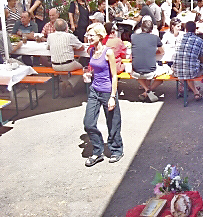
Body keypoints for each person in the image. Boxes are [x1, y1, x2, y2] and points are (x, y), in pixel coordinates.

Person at [83, 23, 123, 167]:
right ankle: (98, 150)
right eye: (88, 35)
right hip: (94, 89)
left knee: (112, 122)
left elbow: (114, 75)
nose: (88, 37)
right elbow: (96, 69)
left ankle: (116, 150)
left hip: (107, 90)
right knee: (88, 122)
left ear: (100, 36)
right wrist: (89, 74)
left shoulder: (109, 52)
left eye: (91, 35)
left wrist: (113, 96)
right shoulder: (91, 50)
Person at [173, 21, 203, 101]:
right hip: (191, 71)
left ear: (185, 30)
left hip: (176, 71)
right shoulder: (200, 41)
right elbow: (202, 59)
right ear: (195, 30)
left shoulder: (178, 39)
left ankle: (196, 93)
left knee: (187, 69)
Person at [47, 19, 84, 97]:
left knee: (62, 68)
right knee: (82, 69)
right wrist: (72, 48)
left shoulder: (50, 36)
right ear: (66, 28)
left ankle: (65, 86)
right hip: (68, 64)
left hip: (55, 65)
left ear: (54, 28)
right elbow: (82, 47)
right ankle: (69, 83)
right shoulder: (69, 36)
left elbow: (48, 47)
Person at [130, 20, 164, 102]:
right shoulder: (155, 38)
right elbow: (162, 51)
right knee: (164, 74)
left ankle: (146, 90)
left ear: (141, 28)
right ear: (152, 29)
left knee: (136, 71)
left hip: (136, 71)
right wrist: (152, 51)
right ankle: (148, 90)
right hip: (151, 70)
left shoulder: (133, 37)